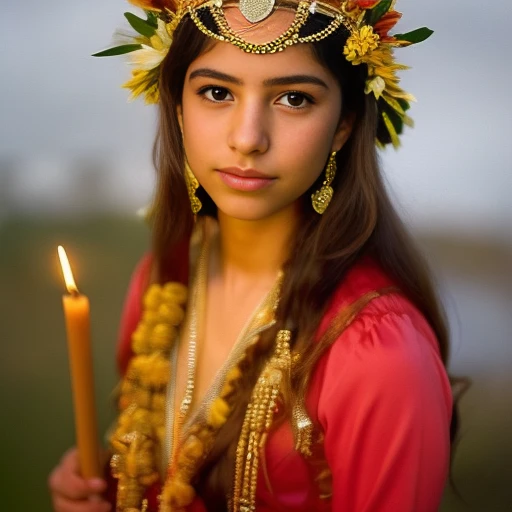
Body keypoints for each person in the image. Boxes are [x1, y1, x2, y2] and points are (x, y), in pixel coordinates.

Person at [49, 1, 454, 511]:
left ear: (345, 126)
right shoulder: (162, 280)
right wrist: (100, 489)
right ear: (177, 107)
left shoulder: (380, 355)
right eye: (217, 93)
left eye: (293, 99)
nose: (247, 139)